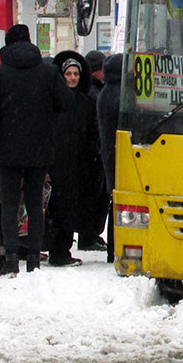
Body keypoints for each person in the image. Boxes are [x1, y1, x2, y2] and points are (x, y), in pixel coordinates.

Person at [0, 24, 73, 275]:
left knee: (8, 204)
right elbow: (66, 103)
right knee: (34, 202)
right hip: (39, 149)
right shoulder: (48, 73)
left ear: (7, 44)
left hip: (7, 150)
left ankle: (11, 260)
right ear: (30, 42)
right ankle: (34, 262)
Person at [47, 51, 99, 266]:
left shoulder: (85, 102)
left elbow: (91, 133)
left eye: (76, 74)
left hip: (78, 164)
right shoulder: (53, 102)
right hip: (57, 163)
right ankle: (57, 251)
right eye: (68, 73)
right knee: (58, 208)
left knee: (71, 208)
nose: (72, 78)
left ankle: (63, 248)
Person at [77, 49, 109, 252]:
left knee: (96, 196)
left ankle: (90, 235)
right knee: (93, 197)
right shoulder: (93, 92)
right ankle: (88, 236)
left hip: (93, 151)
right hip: (92, 153)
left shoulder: (94, 90)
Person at [96, 53, 123, 264]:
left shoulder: (106, 92)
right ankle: (114, 247)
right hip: (117, 153)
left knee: (114, 200)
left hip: (108, 151)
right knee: (118, 201)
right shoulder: (118, 96)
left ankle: (112, 247)